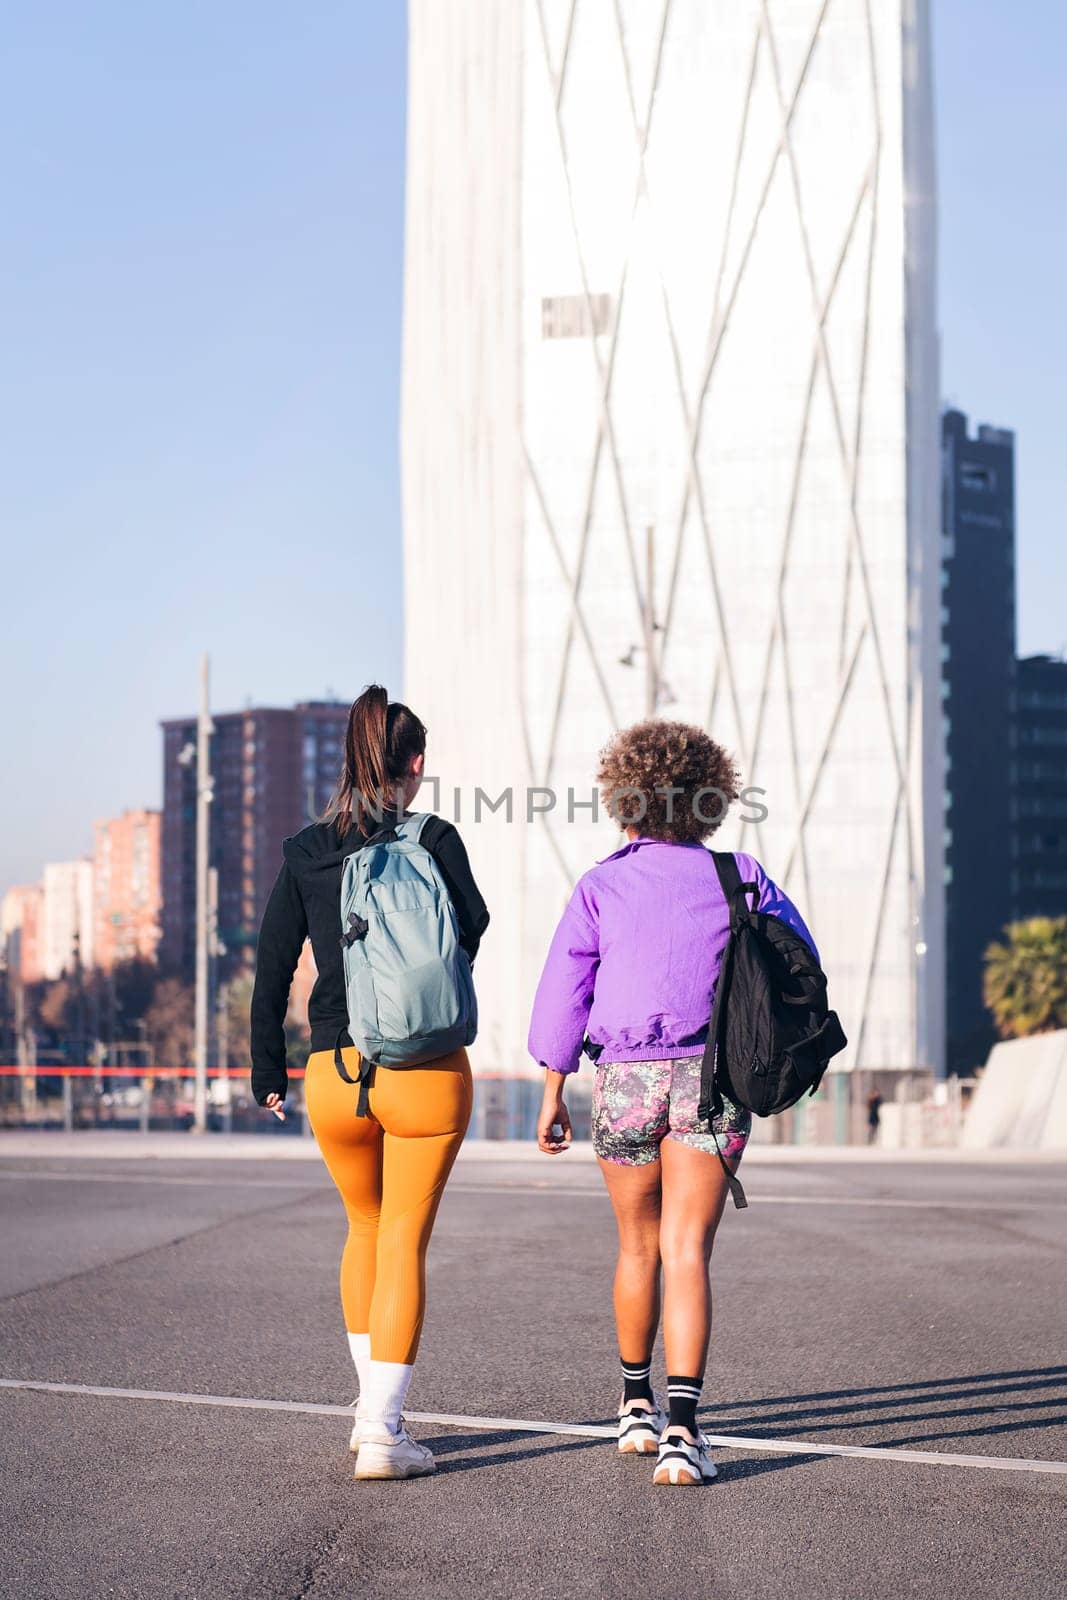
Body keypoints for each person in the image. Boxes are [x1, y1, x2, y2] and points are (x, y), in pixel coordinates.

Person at [529, 719, 817, 1486]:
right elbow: (800, 964)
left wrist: (553, 1091)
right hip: (711, 1078)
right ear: (709, 798)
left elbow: (565, 991)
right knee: (687, 1250)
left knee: (636, 1247)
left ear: (622, 798)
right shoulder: (738, 874)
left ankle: (632, 1410)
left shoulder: (601, 884)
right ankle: (684, 1434)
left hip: (624, 1079)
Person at [250, 684, 488, 1480]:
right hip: (423, 1070)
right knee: (405, 1243)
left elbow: (272, 964)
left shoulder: (305, 849)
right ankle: (384, 1430)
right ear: (414, 764)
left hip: (333, 1069)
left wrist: (265, 1067)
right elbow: (472, 925)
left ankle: (369, 1416)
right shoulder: (435, 836)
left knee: (363, 1229)